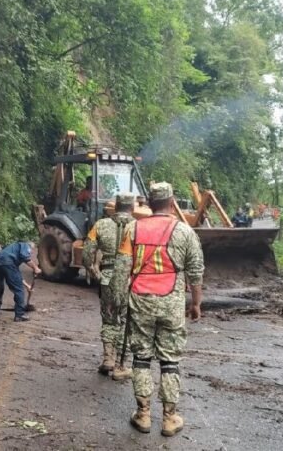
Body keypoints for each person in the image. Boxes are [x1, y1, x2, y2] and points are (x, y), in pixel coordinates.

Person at [112, 182, 204, 437]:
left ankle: (142, 415)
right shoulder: (185, 232)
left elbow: (121, 269)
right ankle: (169, 418)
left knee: (141, 357)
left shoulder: (132, 228)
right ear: (172, 202)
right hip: (172, 303)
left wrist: (119, 301)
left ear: (149, 204)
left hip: (140, 301)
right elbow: (196, 272)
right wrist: (195, 303)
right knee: (170, 360)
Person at [83, 194, 135, 381]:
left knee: (109, 319)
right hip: (130, 281)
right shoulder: (139, 227)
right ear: (133, 207)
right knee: (126, 322)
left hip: (108, 280)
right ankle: (122, 363)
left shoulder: (100, 225)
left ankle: (108, 359)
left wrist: (97, 274)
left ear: (116, 207)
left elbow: (87, 254)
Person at [0, 241, 41, 321]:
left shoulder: (12, 250)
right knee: (19, 290)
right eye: (31, 250)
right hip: (7, 263)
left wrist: (27, 286)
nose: (30, 252)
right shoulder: (25, 245)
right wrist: (35, 268)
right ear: (31, 247)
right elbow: (26, 257)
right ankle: (19, 315)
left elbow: (16, 275)